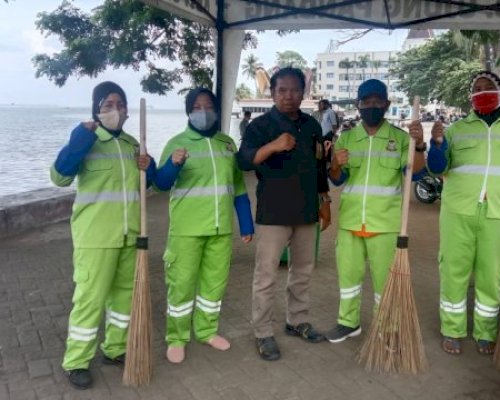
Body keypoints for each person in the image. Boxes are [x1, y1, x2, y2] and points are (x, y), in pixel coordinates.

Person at [426, 71, 500, 356]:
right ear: (471, 96)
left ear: (499, 91)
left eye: (487, 87)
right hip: (458, 212)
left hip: (497, 213)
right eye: (476, 88)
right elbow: (437, 168)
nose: (482, 92)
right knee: (454, 269)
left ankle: (485, 331)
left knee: (490, 274)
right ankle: (452, 329)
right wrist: (437, 144)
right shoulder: (456, 130)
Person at [50, 81, 156, 390]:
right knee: (90, 300)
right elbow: (59, 176)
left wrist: (147, 168)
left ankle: (115, 349)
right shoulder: (85, 139)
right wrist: (80, 137)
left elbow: (146, 186)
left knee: (123, 297)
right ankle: (77, 361)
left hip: (129, 236)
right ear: (97, 109)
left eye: (120, 104)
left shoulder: (133, 144)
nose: (116, 110)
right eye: (108, 105)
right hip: (95, 237)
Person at [236, 67, 331, 361]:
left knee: (302, 271)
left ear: (303, 93)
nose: (289, 96)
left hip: (306, 210)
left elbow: (319, 165)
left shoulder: (312, 126)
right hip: (273, 212)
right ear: (272, 92)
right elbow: (244, 162)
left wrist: (324, 198)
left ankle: (297, 320)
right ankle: (263, 332)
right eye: (282, 90)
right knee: (266, 276)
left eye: (295, 90)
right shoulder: (260, 126)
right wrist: (274, 146)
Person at [154, 88, 254, 363]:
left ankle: (207, 330)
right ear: (188, 112)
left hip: (221, 230)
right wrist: (174, 165)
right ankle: (176, 337)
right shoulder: (177, 143)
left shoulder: (227, 144)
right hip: (186, 231)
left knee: (214, 285)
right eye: (196, 107)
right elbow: (160, 184)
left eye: (207, 106)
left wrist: (246, 223)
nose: (202, 111)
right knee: (181, 285)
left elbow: (238, 186)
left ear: (216, 110)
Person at [326, 79, 427, 343]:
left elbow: (416, 173)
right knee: (348, 278)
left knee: (384, 281)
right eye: (366, 102)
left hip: (385, 223)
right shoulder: (346, 138)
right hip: (350, 222)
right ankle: (348, 323)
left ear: (386, 104)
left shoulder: (401, 139)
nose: (371, 106)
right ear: (358, 106)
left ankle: (387, 329)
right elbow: (337, 179)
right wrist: (335, 163)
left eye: (376, 102)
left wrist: (419, 144)